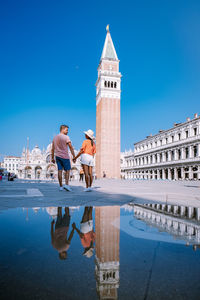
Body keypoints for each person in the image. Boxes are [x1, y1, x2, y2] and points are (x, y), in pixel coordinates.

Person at [52, 124, 75, 191]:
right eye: (66, 130)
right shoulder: (66, 137)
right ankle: (67, 185)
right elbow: (70, 147)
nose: (67, 131)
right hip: (65, 156)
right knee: (67, 170)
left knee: (60, 171)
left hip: (57, 156)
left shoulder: (55, 137)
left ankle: (61, 186)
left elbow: (52, 149)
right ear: (62, 129)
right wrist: (74, 156)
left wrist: (52, 158)